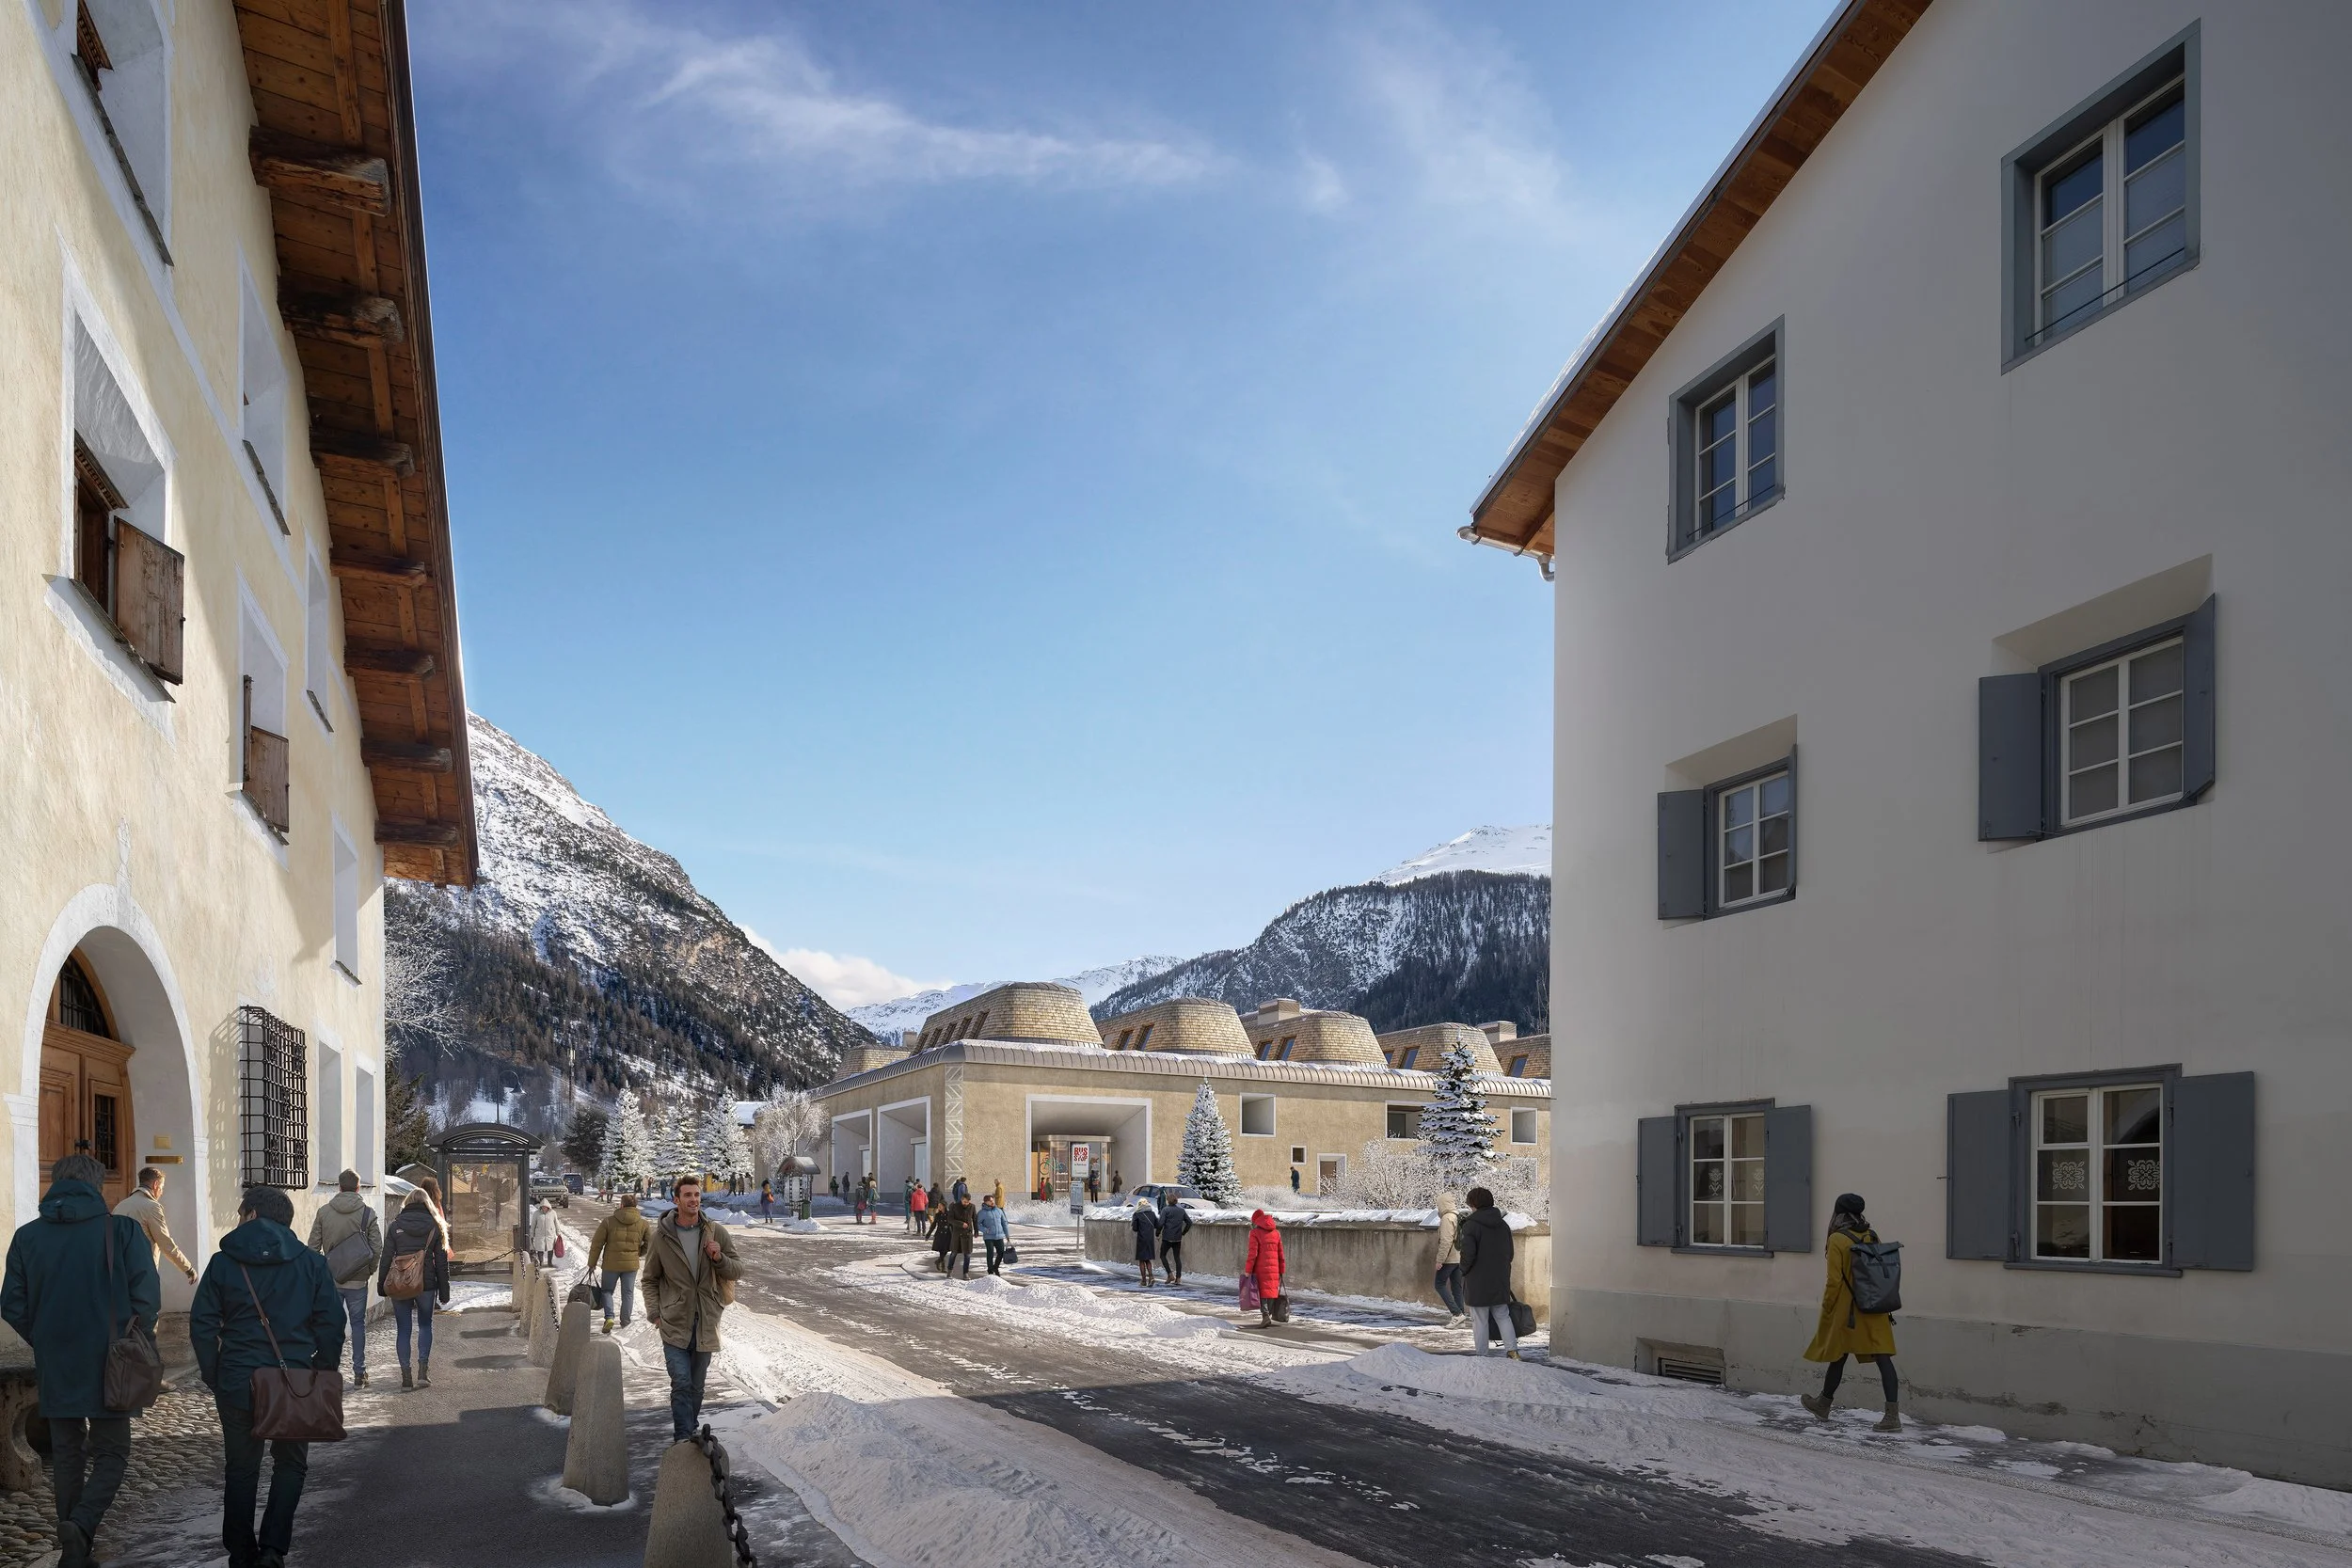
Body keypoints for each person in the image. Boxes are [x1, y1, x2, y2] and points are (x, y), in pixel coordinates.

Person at [2, 1152, 160, 1568]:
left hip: (57, 1360)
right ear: (97, 1186)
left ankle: (75, 1543)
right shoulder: (121, 1231)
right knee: (112, 1452)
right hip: (113, 1360)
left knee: (68, 1452)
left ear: (54, 1184)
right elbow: (148, 1297)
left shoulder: (26, 1236)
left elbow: (12, 1303)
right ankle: (83, 1525)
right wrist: (136, 1335)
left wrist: (42, 1338)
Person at [192, 1184, 342, 1568]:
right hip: (293, 1381)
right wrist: (320, 1371)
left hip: (238, 1379)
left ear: (253, 1215)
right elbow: (331, 1324)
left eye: (242, 1214)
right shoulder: (311, 1263)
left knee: (241, 1467)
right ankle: (273, 1548)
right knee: (290, 1463)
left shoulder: (223, 1263)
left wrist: (215, 1373)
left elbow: (202, 1324)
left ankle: (241, 1552)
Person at [640, 1176, 743, 1443]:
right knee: (681, 1382)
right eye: (688, 1195)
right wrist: (655, 1313)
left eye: (697, 1195)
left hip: (706, 1321)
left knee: (697, 1386)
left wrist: (719, 1257)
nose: (694, 1200)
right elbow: (650, 1279)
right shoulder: (662, 1238)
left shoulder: (715, 1232)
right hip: (674, 1321)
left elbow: (738, 1270)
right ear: (676, 1200)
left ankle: (691, 1427)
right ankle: (683, 1437)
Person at [1802, 1192, 1901, 1432]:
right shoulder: (1871, 1234)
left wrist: (1827, 1307)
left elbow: (1834, 1281)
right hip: (1875, 1307)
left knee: (1839, 1354)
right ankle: (1892, 1416)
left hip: (1850, 1312)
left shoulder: (1837, 1239)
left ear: (1838, 1213)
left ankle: (1824, 1404)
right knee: (1883, 1357)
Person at [305, 1169, 381, 1389]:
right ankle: (359, 1373)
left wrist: (323, 1274)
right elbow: (377, 1247)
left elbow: (312, 1248)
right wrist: (368, 1270)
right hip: (358, 1281)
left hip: (330, 1282)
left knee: (330, 1326)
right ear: (358, 1188)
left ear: (339, 1187)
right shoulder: (367, 1213)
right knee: (358, 1325)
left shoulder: (324, 1212)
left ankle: (331, 1370)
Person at [377, 1186, 450, 1387]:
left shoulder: (395, 1225)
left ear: (407, 1203)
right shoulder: (435, 1225)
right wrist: (444, 1291)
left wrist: (382, 1285)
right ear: (427, 1203)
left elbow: (386, 1258)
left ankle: (406, 1377)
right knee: (425, 1325)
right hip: (426, 1284)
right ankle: (422, 1374)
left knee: (403, 1329)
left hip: (400, 1283)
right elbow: (441, 1263)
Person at [115, 1165, 198, 1289]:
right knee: (145, 1306)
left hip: (119, 1269)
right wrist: (188, 1268)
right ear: (155, 1184)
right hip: (142, 1271)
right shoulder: (152, 1207)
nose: (162, 1192)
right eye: (162, 1187)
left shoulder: (120, 1205)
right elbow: (165, 1243)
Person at [1457, 1186, 1517, 1358]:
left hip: (1478, 1279)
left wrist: (1463, 1270)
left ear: (1474, 1204)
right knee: (1503, 1315)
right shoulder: (1503, 1225)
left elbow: (1468, 1254)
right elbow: (1510, 1253)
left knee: (1480, 1319)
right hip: (1500, 1277)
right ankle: (1512, 1351)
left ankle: (1482, 1355)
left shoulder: (1471, 1225)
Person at [583, 1193, 650, 1334]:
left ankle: (609, 1317)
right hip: (631, 1265)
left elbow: (597, 1244)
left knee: (607, 1291)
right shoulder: (643, 1223)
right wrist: (638, 1253)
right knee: (628, 1293)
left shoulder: (609, 1221)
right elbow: (650, 1244)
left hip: (611, 1265)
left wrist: (592, 1263)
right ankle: (625, 1321)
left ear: (622, 1205)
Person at [1243, 1209, 1284, 1327]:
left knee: (1261, 1292)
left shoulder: (1255, 1233)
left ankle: (1265, 1315)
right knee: (1271, 1292)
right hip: (1274, 1268)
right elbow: (1281, 1254)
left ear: (1256, 1221)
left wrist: (1248, 1270)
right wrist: (1282, 1270)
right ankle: (1268, 1315)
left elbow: (1252, 1254)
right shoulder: (1276, 1233)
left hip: (1260, 1268)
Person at [1432, 1192, 1466, 1321]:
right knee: (1457, 1287)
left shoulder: (1447, 1218)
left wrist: (1440, 1260)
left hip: (1449, 1258)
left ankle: (1456, 1314)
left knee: (1439, 1284)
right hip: (1459, 1258)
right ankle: (1460, 1316)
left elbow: (1446, 1241)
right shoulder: (1457, 1216)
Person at [938, 1196, 977, 1279]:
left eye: (967, 1202)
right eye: (964, 1202)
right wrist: (961, 1224)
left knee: (967, 1254)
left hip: (967, 1234)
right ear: (961, 1200)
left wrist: (976, 1231)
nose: (966, 1203)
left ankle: (965, 1273)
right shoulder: (954, 1206)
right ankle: (949, 1272)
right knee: (954, 1253)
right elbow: (950, 1220)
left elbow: (974, 1219)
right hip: (957, 1234)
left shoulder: (972, 1206)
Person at [1157, 1193, 1191, 1286]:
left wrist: (1157, 1233)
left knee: (1162, 1255)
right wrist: (1183, 1232)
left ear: (1168, 1200)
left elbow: (1160, 1224)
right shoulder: (1181, 1210)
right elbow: (1189, 1222)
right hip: (1177, 1238)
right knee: (1177, 1257)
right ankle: (1178, 1278)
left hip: (1167, 1237)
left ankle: (1170, 1274)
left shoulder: (1165, 1210)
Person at [1130, 1197, 1161, 1288]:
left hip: (1141, 1239)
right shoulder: (1152, 1213)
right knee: (1148, 1259)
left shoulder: (1137, 1214)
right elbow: (1157, 1225)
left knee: (1141, 1260)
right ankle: (1151, 1277)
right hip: (1150, 1239)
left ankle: (1143, 1280)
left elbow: (1135, 1228)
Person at [977, 1195, 1010, 1275]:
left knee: (1001, 1253)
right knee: (990, 1254)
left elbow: (1004, 1223)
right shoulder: (982, 1213)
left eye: (992, 1200)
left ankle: (995, 1267)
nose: (992, 1202)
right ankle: (990, 1271)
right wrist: (985, 1230)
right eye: (990, 1201)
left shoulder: (998, 1210)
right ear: (985, 1202)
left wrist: (1007, 1234)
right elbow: (978, 1224)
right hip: (989, 1237)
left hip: (999, 1236)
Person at [528, 1198, 558, 1267]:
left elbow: (556, 1223)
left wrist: (558, 1232)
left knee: (550, 1249)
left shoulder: (553, 1213)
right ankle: (541, 1262)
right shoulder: (536, 1213)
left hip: (550, 1234)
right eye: (543, 1207)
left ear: (548, 1207)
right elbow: (533, 1224)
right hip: (540, 1234)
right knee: (540, 1248)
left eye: (545, 1207)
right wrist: (532, 1233)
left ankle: (550, 1262)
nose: (544, 1208)